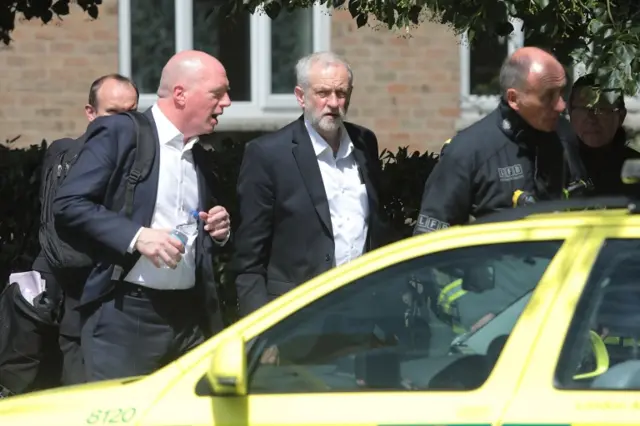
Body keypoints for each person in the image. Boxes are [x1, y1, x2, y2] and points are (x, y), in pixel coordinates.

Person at [52, 50, 232, 382]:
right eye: (217, 94)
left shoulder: (200, 156)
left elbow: (195, 232)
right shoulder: (122, 133)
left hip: (190, 316)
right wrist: (137, 236)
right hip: (126, 316)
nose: (227, 103)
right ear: (180, 94)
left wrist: (218, 229)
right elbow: (69, 204)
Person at [413, 47, 582, 335]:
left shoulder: (563, 139)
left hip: (558, 312)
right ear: (514, 98)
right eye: (548, 97)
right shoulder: (468, 151)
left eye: (562, 93)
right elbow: (427, 249)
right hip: (493, 322)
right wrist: (471, 311)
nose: (561, 106)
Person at [231, 51, 392, 320]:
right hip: (298, 318)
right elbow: (249, 258)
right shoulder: (269, 154)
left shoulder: (365, 143)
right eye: (323, 93)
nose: (333, 103)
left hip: (365, 310)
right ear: (300, 96)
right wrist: (259, 329)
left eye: (341, 93)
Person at [32, 73, 139, 386]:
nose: (122, 123)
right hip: (81, 308)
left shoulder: (143, 160)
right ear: (90, 113)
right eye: (113, 113)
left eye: (131, 114)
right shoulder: (71, 159)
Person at [567, 73, 640, 197]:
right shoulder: (556, 166)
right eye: (583, 109)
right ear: (570, 113)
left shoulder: (635, 168)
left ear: (621, 116)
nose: (591, 118)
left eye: (601, 109)